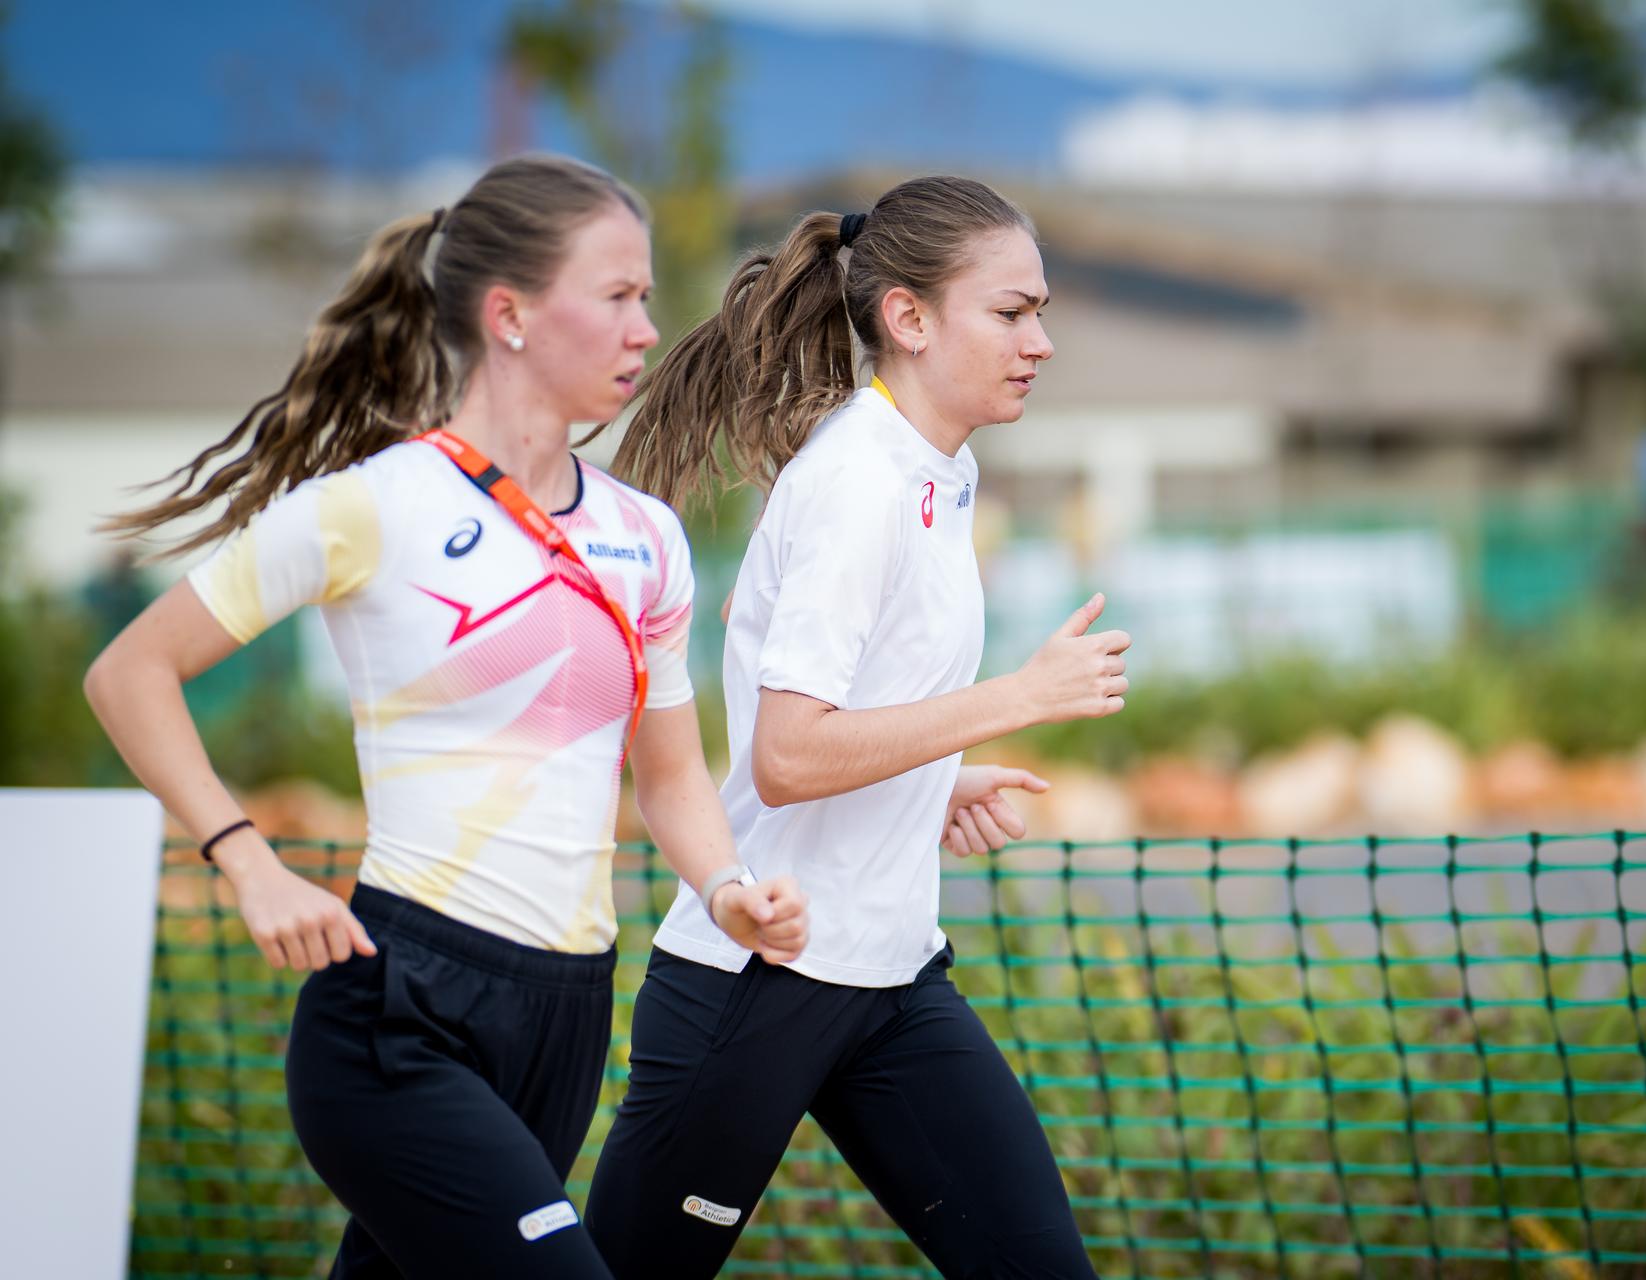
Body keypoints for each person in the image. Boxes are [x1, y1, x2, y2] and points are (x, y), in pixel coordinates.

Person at [83, 154, 807, 1280]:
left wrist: (725, 889)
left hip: (568, 1009)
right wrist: (249, 863)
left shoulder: (647, 537)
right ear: (509, 314)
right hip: (400, 1007)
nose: (646, 328)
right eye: (616, 294)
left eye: (647, 297)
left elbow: (667, 778)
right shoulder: (373, 506)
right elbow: (129, 672)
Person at [584, 175, 1125, 1278]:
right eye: (1013, 312)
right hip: (759, 978)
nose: (1042, 341)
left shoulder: (939, 470)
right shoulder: (857, 480)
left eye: (1043, 311)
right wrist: (1018, 696)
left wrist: (938, 776)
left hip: (888, 982)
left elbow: (774, 636)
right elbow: (783, 758)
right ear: (909, 318)